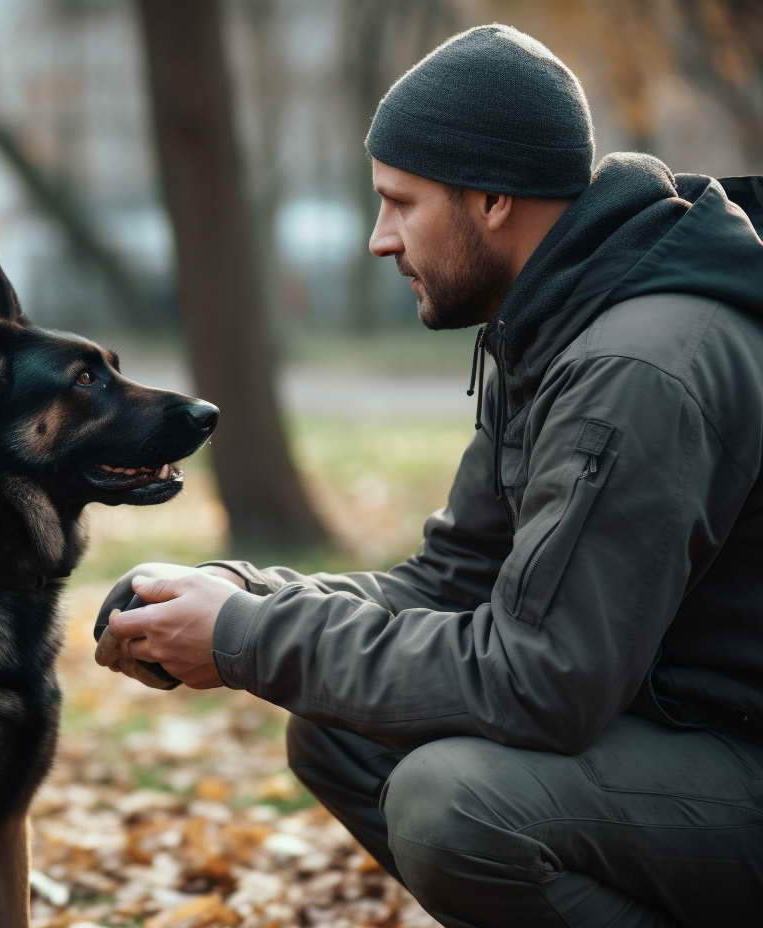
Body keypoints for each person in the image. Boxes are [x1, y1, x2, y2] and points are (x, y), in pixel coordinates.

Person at [94, 23, 763, 928]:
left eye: (400, 203)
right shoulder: (558, 321)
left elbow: (544, 683)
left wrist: (247, 637)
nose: (380, 239)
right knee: (340, 725)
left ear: (491, 198)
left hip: (734, 753)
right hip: (674, 726)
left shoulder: (633, 368)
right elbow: (449, 584)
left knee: (455, 805)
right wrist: (237, 594)